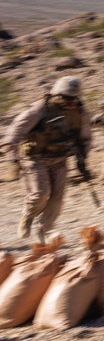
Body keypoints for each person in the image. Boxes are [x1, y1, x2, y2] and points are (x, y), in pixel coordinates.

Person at [1, 76, 92, 243]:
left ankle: (44, 229)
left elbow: (85, 136)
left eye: (74, 98)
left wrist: (83, 157)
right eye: (67, 97)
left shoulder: (80, 112)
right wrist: (8, 145)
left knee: (57, 197)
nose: (71, 101)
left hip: (59, 158)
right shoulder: (41, 108)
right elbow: (18, 127)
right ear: (57, 95)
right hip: (35, 157)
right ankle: (28, 216)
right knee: (41, 193)